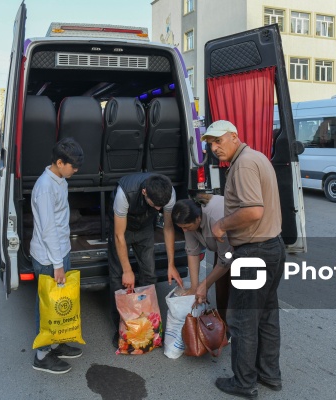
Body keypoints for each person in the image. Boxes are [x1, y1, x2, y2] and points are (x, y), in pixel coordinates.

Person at [202, 120, 285, 398]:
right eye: (210, 144)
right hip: (272, 248)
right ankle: (269, 375)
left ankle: (244, 382)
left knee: (242, 321)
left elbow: (253, 211)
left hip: (254, 253)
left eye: (219, 141)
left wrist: (222, 224)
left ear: (234, 137)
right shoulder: (257, 157)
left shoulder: (244, 164)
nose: (214, 148)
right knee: (266, 317)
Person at [108, 172, 183, 348]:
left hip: (145, 229)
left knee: (149, 275)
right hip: (122, 229)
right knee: (118, 278)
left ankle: (148, 326)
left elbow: (168, 228)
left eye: (161, 206)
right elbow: (119, 235)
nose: (158, 209)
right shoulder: (124, 194)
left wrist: (171, 264)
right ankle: (121, 329)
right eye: (155, 205)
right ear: (143, 192)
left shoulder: (168, 193)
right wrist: (127, 270)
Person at [30, 137, 84, 374]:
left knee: (60, 302)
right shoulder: (45, 188)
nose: (76, 169)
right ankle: (42, 356)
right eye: (73, 165)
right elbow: (48, 228)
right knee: (47, 306)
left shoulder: (60, 179)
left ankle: (58, 342)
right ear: (59, 162)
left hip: (60, 251)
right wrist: (57, 265)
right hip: (48, 257)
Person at [171, 195, 233, 325]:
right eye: (181, 227)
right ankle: (223, 327)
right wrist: (194, 287)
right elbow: (193, 252)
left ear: (198, 219)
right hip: (223, 252)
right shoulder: (188, 220)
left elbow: (225, 260)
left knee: (238, 294)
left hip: (242, 248)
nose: (184, 230)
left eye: (186, 227)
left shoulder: (216, 218)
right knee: (221, 290)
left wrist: (204, 285)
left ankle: (237, 331)